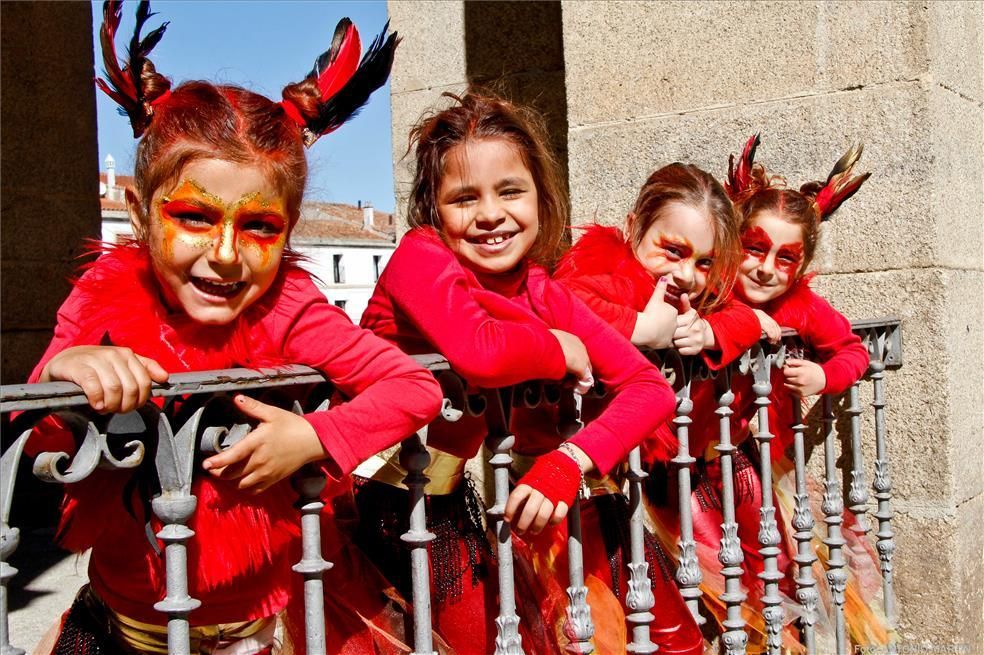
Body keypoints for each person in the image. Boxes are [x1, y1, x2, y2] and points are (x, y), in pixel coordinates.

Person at [27, 3, 442, 653]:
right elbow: (39, 439)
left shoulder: (288, 305)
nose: (225, 254)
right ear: (139, 213)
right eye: (194, 217)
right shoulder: (97, 297)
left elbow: (413, 387)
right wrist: (63, 372)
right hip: (118, 626)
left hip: (255, 632)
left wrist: (313, 434)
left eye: (258, 226)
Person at [357, 90, 676, 653]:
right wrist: (558, 347)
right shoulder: (419, 255)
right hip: (366, 505)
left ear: (540, 198)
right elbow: (480, 352)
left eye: (510, 191)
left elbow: (648, 389)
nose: (489, 214)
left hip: (442, 500)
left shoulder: (539, 288)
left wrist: (569, 462)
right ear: (434, 211)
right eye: (463, 198)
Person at [544, 162, 760, 653]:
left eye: (705, 263)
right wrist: (642, 328)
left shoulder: (681, 297)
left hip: (636, 484)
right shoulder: (606, 270)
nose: (687, 274)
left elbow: (744, 311)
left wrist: (710, 331)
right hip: (574, 491)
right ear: (636, 225)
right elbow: (559, 302)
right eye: (673, 250)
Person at [726, 135, 888, 649]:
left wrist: (823, 378)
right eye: (754, 248)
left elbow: (852, 352)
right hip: (707, 458)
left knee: (781, 557)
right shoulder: (712, 291)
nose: (765, 268)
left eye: (784, 257)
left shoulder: (804, 308)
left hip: (768, 461)